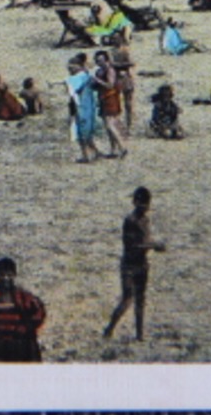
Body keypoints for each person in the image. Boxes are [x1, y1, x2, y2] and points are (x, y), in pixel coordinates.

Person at [104, 187, 167, 342]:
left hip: (142, 263)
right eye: (142, 203)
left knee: (140, 300)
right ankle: (110, 328)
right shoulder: (130, 221)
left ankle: (139, 335)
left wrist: (155, 245)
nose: (144, 207)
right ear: (135, 202)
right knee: (127, 299)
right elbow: (131, 246)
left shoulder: (145, 220)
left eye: (146, 203)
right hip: (130, 265)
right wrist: (153, 246)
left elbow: (145, 240)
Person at [0, 257, 46, 362]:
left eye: (9, 275)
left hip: (20, 345)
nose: (6, 278)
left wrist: (26, 328)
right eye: (2, 275)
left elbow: (39, 312)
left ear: (14, 275)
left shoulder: (24, 296)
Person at [66, 53, 104, 163]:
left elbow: (73, 95)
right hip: (89, 106)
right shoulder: (87, 76)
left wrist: (73, 112)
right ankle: (95, 152)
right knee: (88, 133)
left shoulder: (77, 79)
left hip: (81, 107)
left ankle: (86, 155)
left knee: (81, 134)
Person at [93, 51, 128, 156]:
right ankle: (113, 150)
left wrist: (97, 81)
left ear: (106, 60)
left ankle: (122, 147)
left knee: (110, 125)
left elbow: (110, 85)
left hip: (110, 97)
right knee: (108, 125)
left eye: (101, 60)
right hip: (103, 98)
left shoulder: (110, 70)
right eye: (97, 61)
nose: (99, 62)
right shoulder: (99, 71)